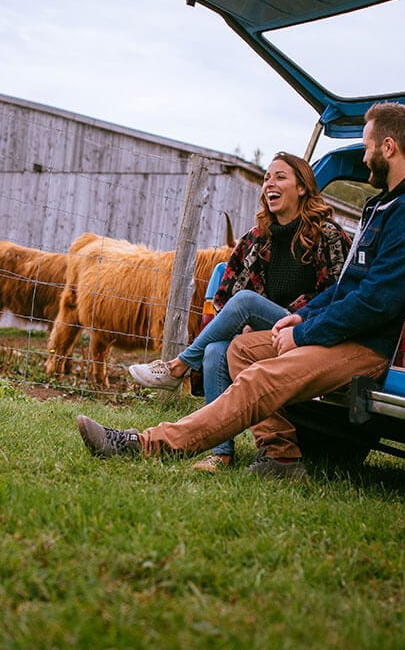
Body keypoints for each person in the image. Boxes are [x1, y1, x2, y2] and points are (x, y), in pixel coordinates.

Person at [76, 101, 405, 479]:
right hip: (346, 331)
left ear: (388, 147)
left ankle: (146, 444)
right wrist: (301, 316)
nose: (365, 154)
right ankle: (281, 457)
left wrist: (304, 334)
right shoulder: (389, 204)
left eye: (368, 144)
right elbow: (346, 286)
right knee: (240, 350)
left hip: (369, 345)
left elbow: (378, 301)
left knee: (260, 377)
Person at [126, 151, 349, 472]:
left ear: (302, 188)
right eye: (267, 178)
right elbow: (225, 295)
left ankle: (176, 367)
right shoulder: (257, 238)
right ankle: (222, 453)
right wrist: (243, 325)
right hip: (266, 330)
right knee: (217, 349)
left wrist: (267, 315)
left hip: (310, 328)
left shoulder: (327, 235)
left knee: (246, 303)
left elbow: (336, 294)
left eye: (280, 177)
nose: (269, 183)